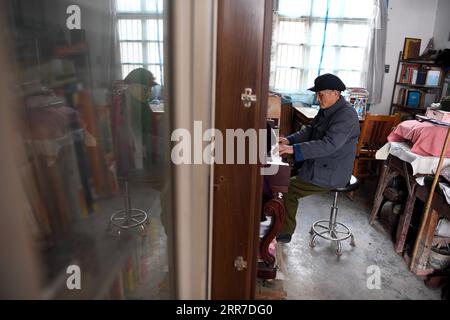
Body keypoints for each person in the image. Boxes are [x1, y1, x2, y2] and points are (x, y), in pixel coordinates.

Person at [276, 73, 360, 243]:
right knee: (280, 177)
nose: (317, 97)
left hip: (333, 172)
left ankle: (284, 232)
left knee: (288, 189)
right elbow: (310, 130)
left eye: (320, 94)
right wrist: (289, 140)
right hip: (320, 165)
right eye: (317, 94)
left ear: (335, 93)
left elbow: (328, 145)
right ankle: (277, 224)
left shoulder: (346, 115)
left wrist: (292, 149)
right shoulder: (327, 110)